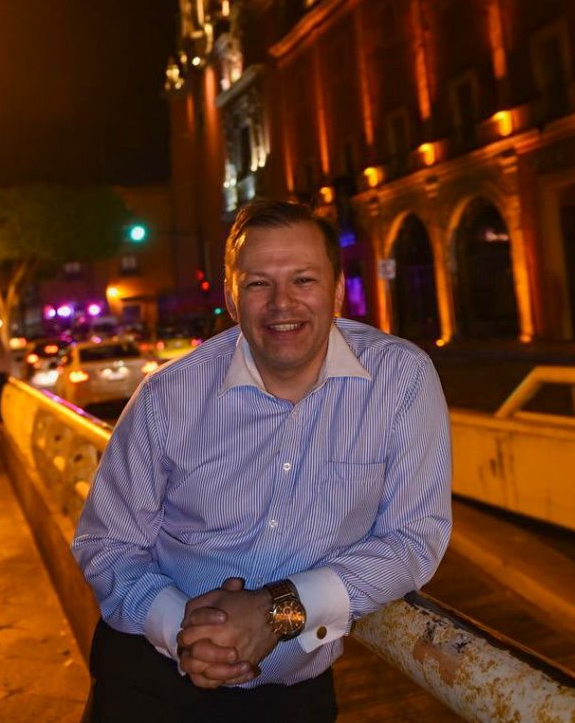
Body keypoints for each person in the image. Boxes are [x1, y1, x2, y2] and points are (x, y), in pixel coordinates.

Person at [72, 199, 451, 721]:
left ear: (337, 290)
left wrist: (276, 613)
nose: (281, 304)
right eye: (257, 284)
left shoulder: (400, 380)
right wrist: (186, 628)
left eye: (303, 280)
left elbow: (415, 539)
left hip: (292, 701)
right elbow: (106, 541)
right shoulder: (167, 396)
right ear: (232, 296)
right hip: (148, 681)